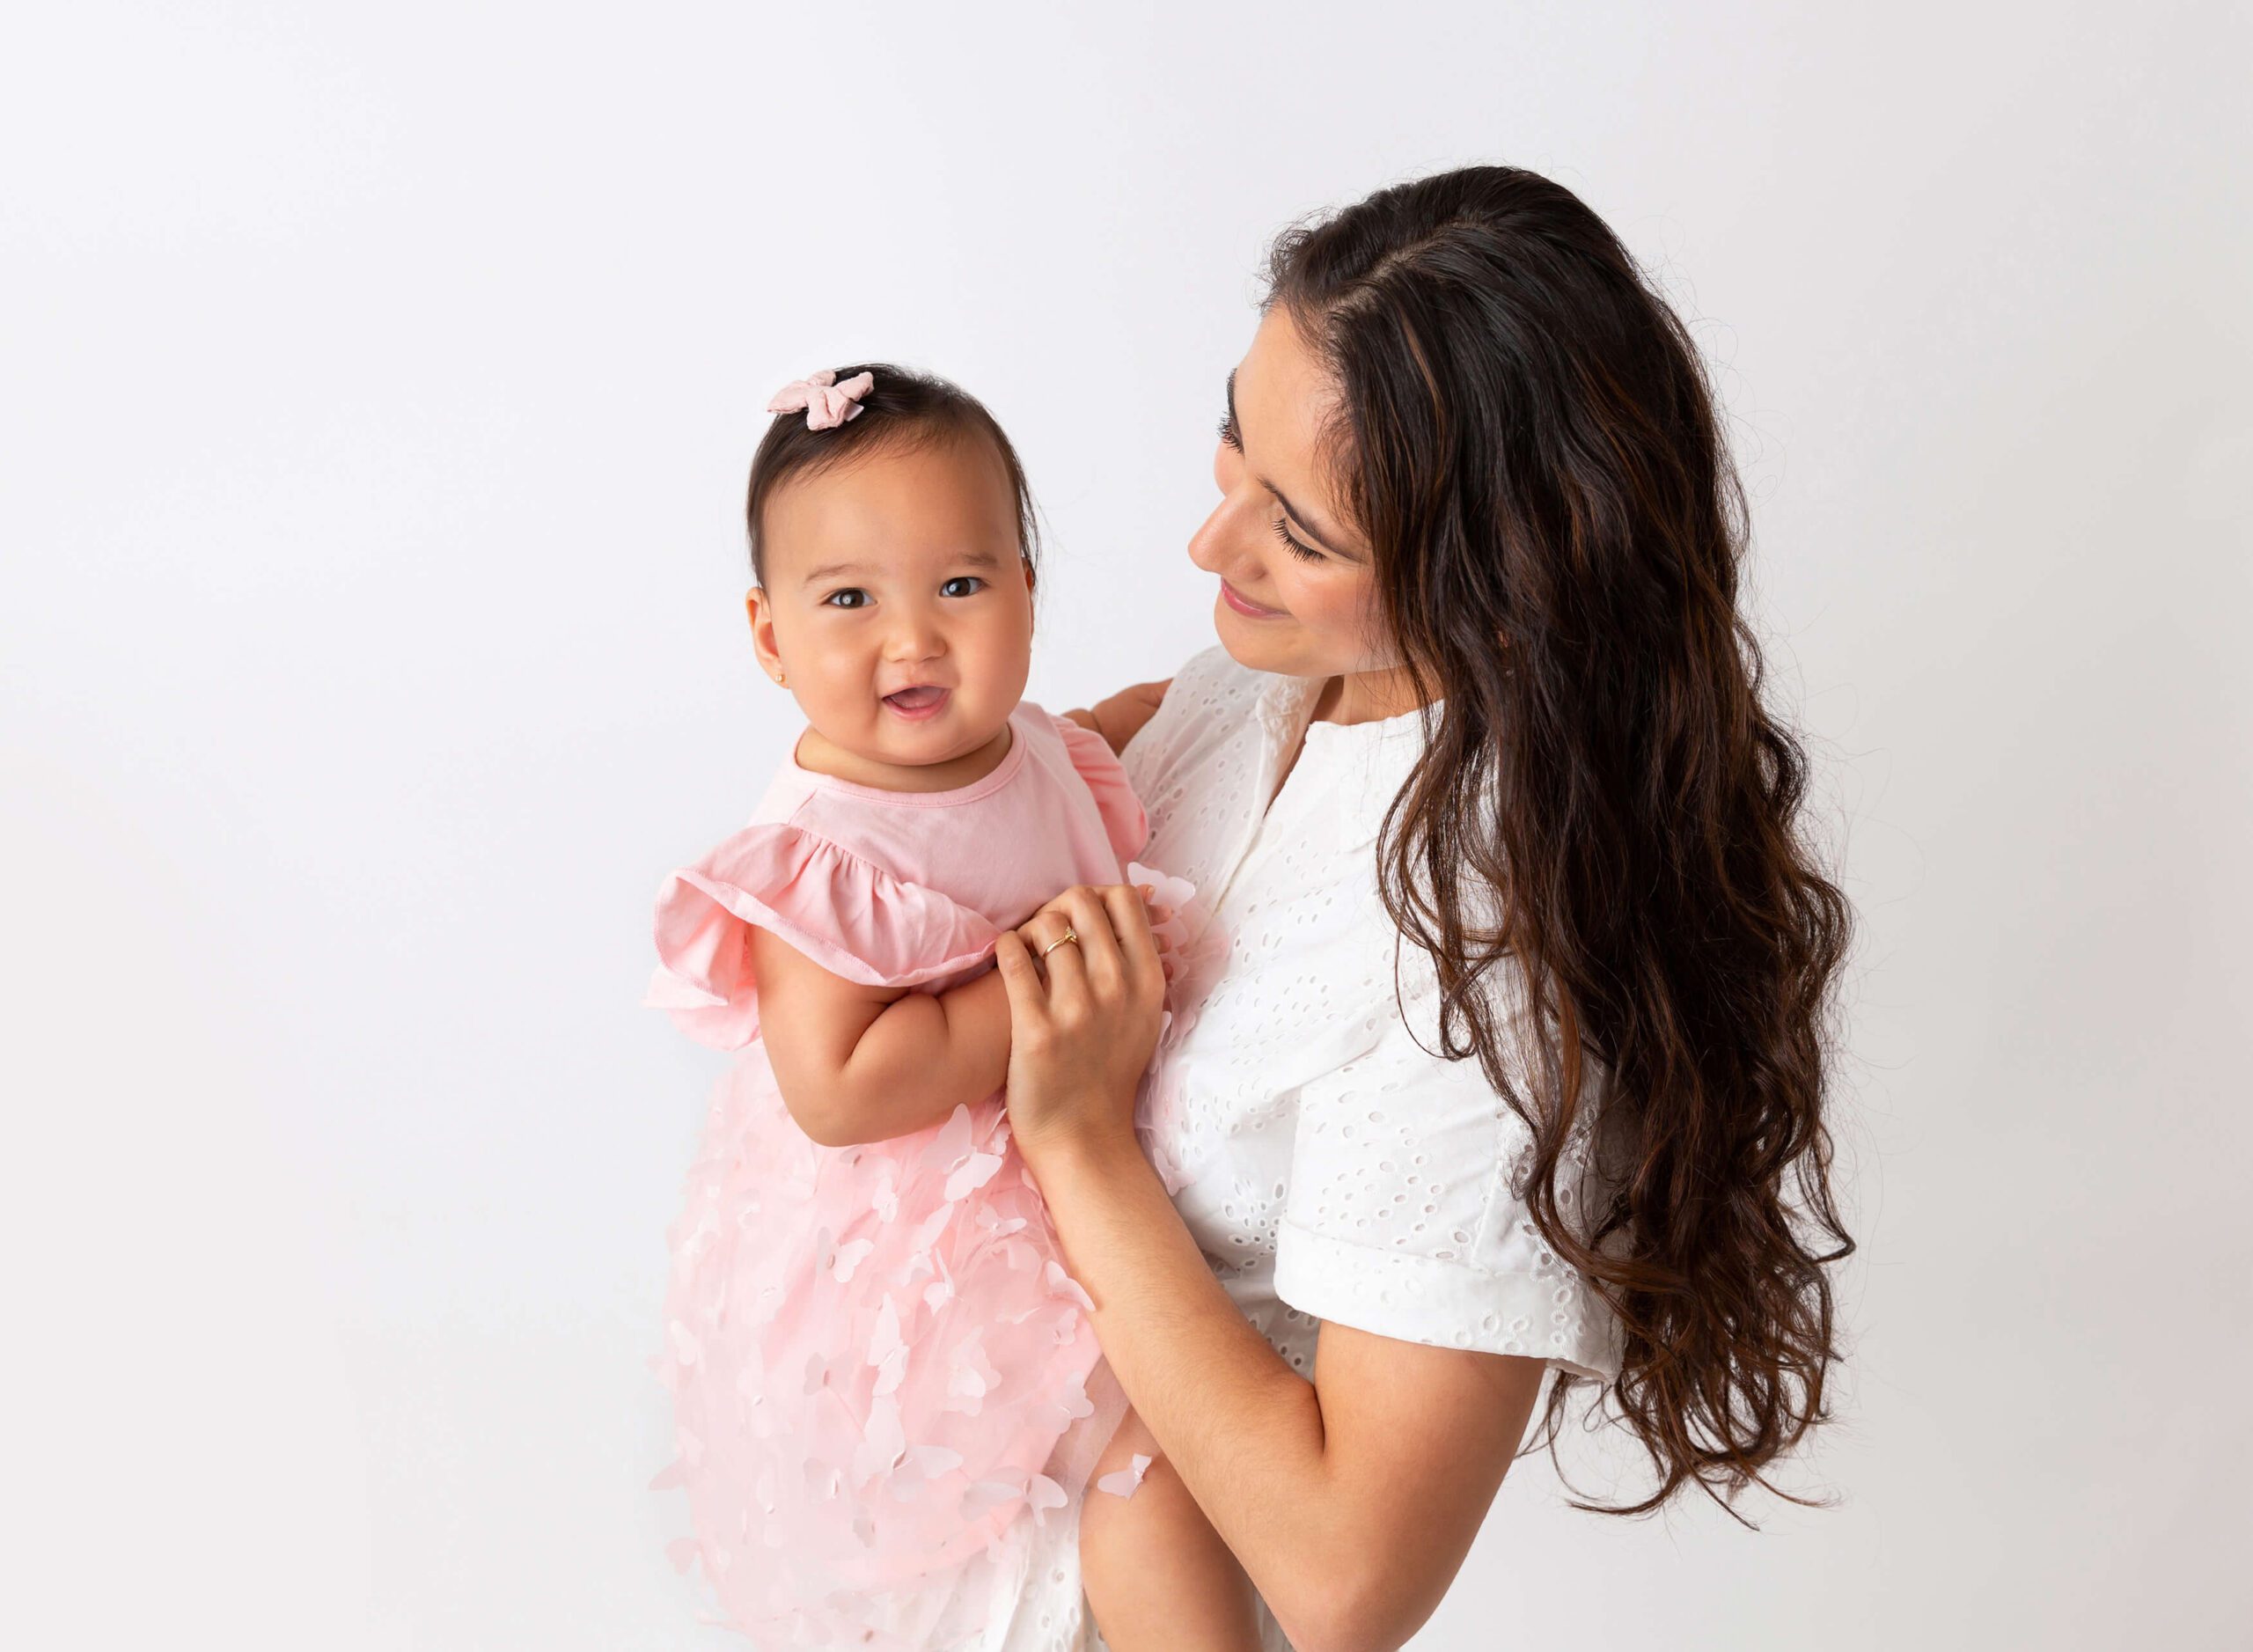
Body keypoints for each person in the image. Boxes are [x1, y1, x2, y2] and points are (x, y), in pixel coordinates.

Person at [987, 163, 1857, 1651]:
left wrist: (1076, 1136)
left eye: (1302, 532)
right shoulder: (1256, 690)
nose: (1212, 548)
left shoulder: (1490, 960)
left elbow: (1345, 1582)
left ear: (1504, 576)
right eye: (1231, 443)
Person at [641, 362, 1285, 1650]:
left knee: (1186, 1437)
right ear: (770, 636)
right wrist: (1043, 990)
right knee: (1146, 1466)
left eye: (960, 586)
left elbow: (1045, 774)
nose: (912, 637)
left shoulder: (1033, 740)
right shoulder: (825, 848)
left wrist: (1155, 714)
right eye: (849, 600)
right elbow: (837, 1084)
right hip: (925, 1239)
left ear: (1028, 595)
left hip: (1067, 1166)